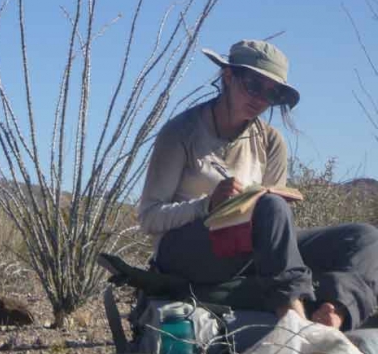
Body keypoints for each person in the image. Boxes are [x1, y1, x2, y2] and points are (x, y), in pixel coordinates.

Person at [138, 39, 378, 331]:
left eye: (272, 93)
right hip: (186, 249)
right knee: (270, 206)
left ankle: (335, 312)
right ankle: (293, 319)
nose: (261, 99)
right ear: (228, 77)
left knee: (363, 237)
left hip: (248, 246)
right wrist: (208, 205)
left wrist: (271, 213)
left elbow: (275, 213)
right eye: (253, 85)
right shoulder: (181, 132)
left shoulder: (271, 141)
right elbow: (150, 217)